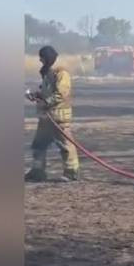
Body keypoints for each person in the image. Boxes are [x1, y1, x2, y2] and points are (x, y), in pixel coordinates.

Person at [25, 45, 80, 182]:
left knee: (65, 145)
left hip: (58, 117)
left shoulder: (61, 73)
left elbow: (61, 94)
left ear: (48, 58)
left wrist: (46, 102)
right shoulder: (48, 73)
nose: (40, 61)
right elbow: (47, 92)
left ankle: (71, 172)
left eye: (42, 58)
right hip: (46, 117)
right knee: (39, 145)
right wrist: (37, 95)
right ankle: (38, 171)